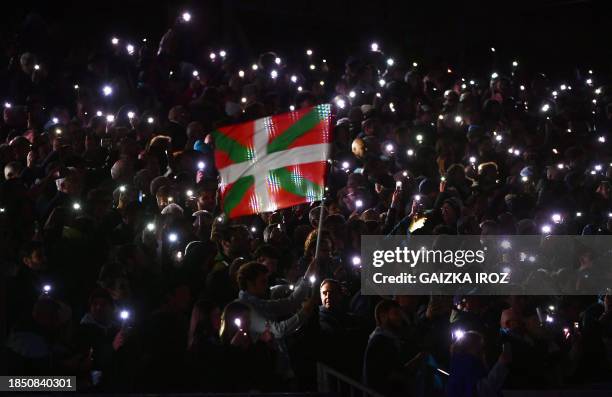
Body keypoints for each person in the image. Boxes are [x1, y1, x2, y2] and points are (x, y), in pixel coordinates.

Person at [237, 261, 317, 383]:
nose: (266, 285)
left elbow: (290, 303)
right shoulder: (245, 308)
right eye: (262, 281)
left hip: (276, 364)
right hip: (265, 372)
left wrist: (306, 277)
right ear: (249, 283)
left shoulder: (258, 302)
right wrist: (305, 312)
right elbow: (279, 330)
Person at [447, 331, 511, 397]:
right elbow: (482, 390)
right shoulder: (467, 364)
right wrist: (500, 364)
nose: (482, 350)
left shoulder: (459, 363)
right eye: (480, 345)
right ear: (471, 345)